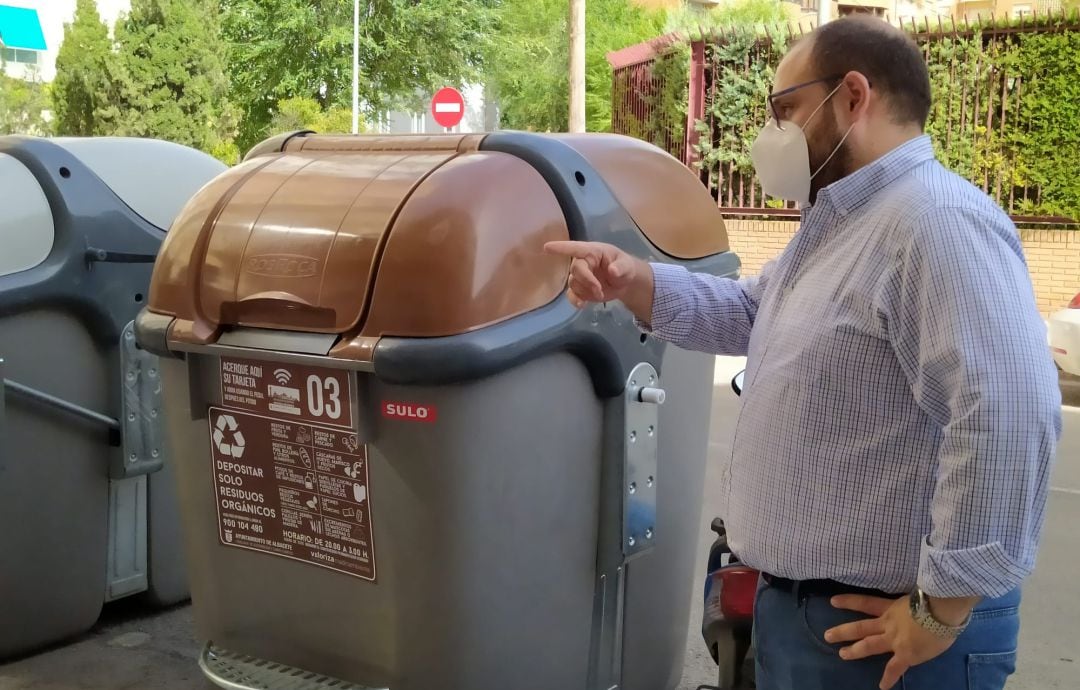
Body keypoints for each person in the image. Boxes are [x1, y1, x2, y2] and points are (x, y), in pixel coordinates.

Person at [546, 15, 1061, 690]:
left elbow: (1009, 415)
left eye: (785, 110)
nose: (771, 134)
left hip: (886, 641)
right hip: (807, 621)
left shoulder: (935, 221)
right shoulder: (848, 221)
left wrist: (943, 609)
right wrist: (635, 280)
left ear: (853, 96)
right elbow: (757, 315)